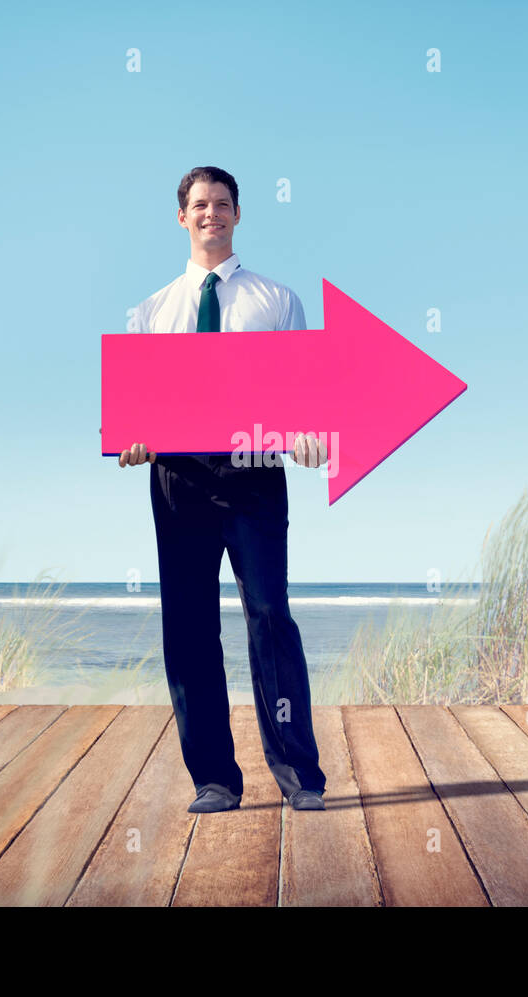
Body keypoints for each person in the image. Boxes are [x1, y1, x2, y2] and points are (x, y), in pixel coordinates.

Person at [120, 166, 328, 814]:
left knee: (270, 617)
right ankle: (213, 777)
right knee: (189, 627)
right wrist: (132, 439)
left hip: (256, 474)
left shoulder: (277, 301)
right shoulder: (149, 312)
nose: (211, 213)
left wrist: (311, 434)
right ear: (182, 217)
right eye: (199, 204)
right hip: (180, 479)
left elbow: (304, 393)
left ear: (238, 214)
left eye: (222, 203)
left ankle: (300, 774)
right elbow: (136, 413)